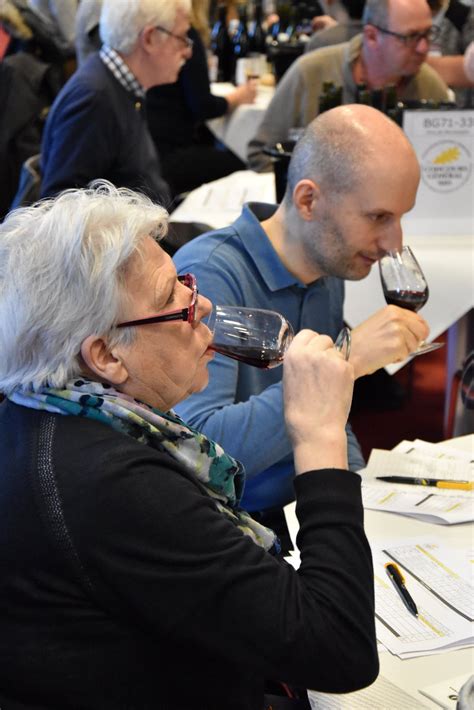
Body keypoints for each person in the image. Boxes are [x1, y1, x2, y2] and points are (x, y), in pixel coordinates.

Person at [0, 181, 379, 709]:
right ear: (106, 355)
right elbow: (340, 650)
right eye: (171, 302)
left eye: (183, 281)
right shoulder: (110, 482)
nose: (200, 305)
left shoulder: (45, 414)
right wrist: (318, 436)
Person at [174, 105, 429, 518]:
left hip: (305, 510)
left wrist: (362, 500)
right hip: (240, 526)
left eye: (399, 217)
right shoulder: (208, 275)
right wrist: (347, 360)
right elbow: (199, 452)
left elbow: (332, 415)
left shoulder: (328, 266)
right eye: (378, 217)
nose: (392, 243)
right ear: (308, 200)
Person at [248, 0, 450, 171]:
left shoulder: (430, 88)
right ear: (371, 36)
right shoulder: (311, 73)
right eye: (411, 37)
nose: (424, 47)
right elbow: (260, 155)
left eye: (428, 33)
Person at [40, 0, 193, 203]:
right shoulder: (94, 99)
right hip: (133, 233)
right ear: (149, 39)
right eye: (181, 37)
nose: (188, 51)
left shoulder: (120, 85)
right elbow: (58, 206)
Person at [146, 0, 257, 198]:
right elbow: (202, 105)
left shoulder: (162, 32)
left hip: (153, 148)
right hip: (169, 153)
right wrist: (238, 97)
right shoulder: (184, 37)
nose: (186, 52)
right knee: (245, 164)